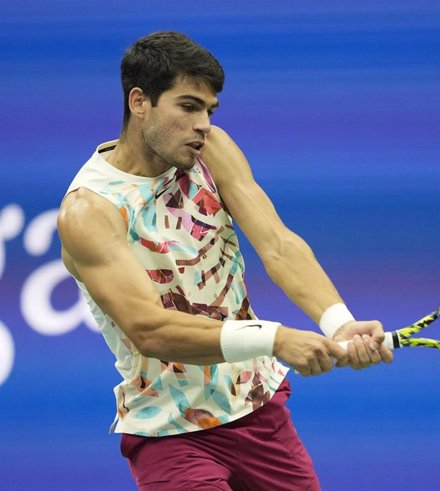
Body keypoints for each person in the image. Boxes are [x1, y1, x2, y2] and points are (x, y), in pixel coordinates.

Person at [57, 30, 393, 491]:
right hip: (170, 432)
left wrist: (339, 323)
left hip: (258, 410)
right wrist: (273, 337)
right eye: (188, 106)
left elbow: (277, 244)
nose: (203, 124)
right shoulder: (89, 210)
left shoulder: (211, 153)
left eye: (210, 110)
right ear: (140, 102)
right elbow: (149, 330)